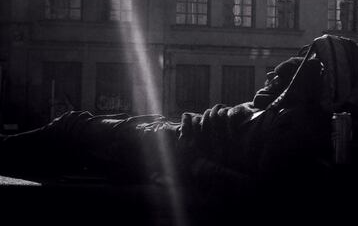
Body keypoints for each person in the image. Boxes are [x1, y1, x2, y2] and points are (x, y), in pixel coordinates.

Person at [0, 56, 332, 189]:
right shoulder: (264, 115)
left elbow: (250, 183)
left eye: (277, 76)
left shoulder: (274, 124)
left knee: (70, 126)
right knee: (73, 143)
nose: (269, 76)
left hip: (163, 145)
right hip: (164, 137)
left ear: (289, 90)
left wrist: (186, 164)